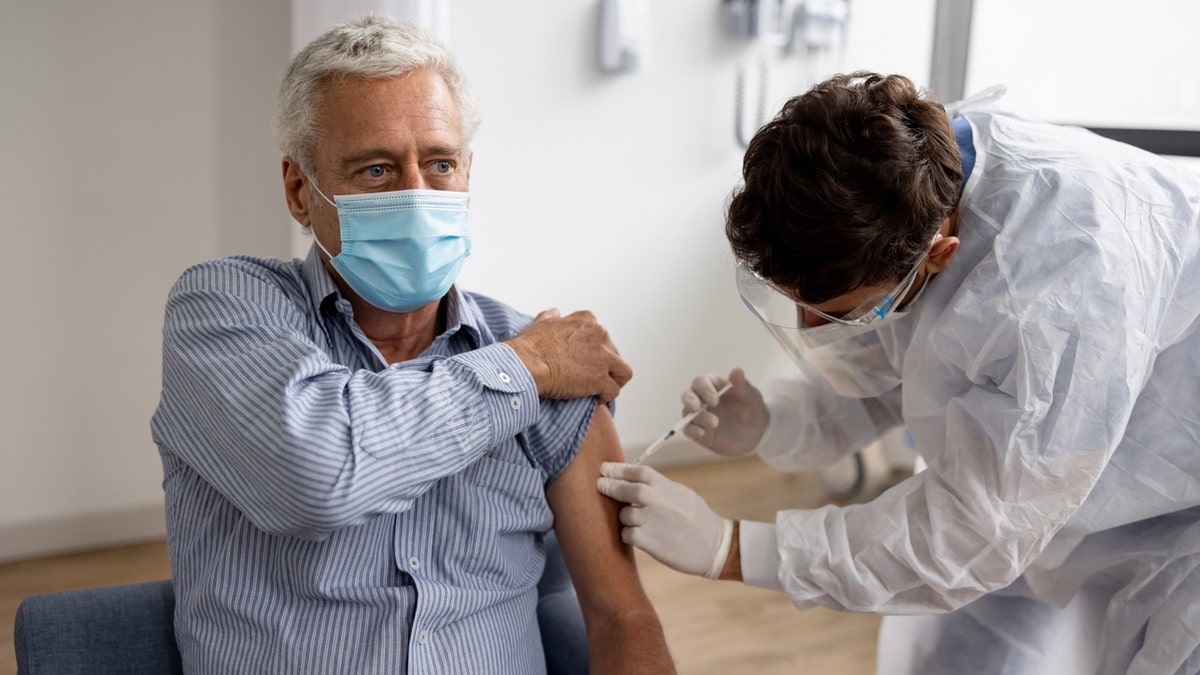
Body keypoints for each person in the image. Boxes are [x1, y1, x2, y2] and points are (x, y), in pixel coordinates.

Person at [598, 71, 1200, 674]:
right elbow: (912, 367)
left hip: (1179, 523)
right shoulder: (909, 171)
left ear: (941, 254)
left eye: (839, 314)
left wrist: (731, 547)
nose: (813, 331)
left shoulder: (1054, 298)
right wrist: (775, 420)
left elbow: (973, 537)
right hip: (1046, 488)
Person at [152, 16, 674, 674]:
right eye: (375, 169)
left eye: (440, 163)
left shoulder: (548, 363)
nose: (417, 195)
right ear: (299, 191)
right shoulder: (224, 307)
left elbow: (621, 616)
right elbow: (316, 476)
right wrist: (528, 366)